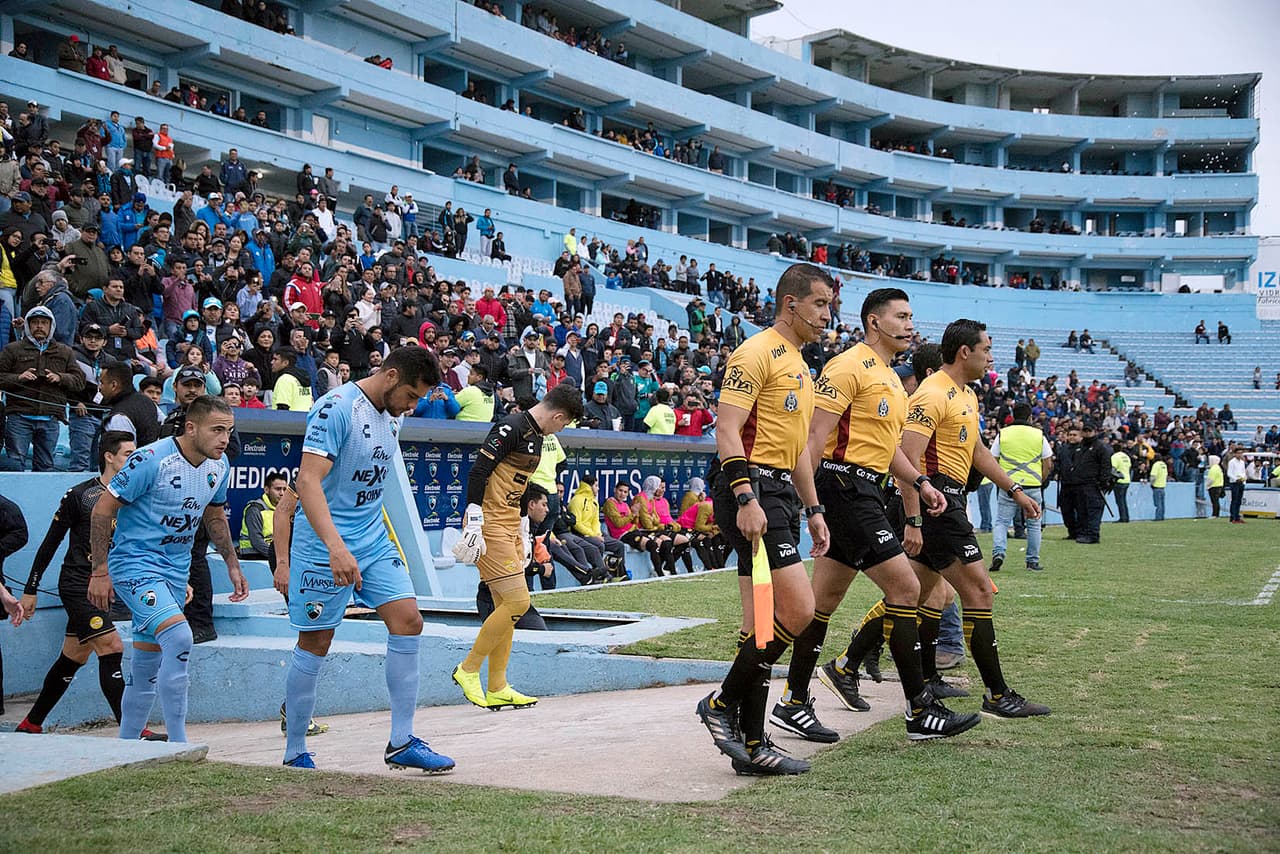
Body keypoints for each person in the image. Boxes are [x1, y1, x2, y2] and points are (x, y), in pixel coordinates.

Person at [775, 288, 974, 744]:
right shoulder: (848, 366)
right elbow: (814, 439)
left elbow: (888, 451)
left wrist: (920, 482)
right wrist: (810, 504)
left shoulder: (892, 379)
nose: (910, 325)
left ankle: (793, 700)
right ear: (874, 322)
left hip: (865, 486)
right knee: (906, 587)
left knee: (822, 602)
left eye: (911, 316)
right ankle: (919, 709)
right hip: (843, 487)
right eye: (901, 316)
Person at [281, 346, 454, 772]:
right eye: (411, 396)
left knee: (409, 620)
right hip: (324, 545)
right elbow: (307, 482)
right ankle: (295, 751)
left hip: (373, 539)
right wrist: (335, 547)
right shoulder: (336, 409)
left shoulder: (393, 414)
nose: (411, 407)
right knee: (316, 642)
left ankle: (401, 741)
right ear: (391, 376)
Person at [694, 263, 834, 777]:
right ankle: (720, 704)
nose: (827, 315)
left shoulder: (801, 364)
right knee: (799, 611)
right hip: (750, 488)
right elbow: (727, 430)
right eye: (820, 304)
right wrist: (745, 496)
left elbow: (797, 451)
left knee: (759, 624)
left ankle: (753, 745)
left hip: (779, 492)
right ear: (790, 304)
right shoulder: (755, 352)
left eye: (830, 305)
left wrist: (813, 509)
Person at [899, 319, 1049, 719]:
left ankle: (846, 665)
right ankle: (997, 694)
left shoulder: (965, 394)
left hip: (948, 500)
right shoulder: (931, 394)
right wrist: (913, 518)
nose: (991, 358)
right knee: (979, 591)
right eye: (986, 350)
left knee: (916, 594)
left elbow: (979, 452)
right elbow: (907, 459)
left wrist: (1014, 490)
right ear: (965, 352)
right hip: (937, 503)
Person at [87, 397, 249, 743]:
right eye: (217, 430)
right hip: (134, 564)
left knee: (146, 665)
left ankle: (127, 745)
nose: (225, 439)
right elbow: (102, 509)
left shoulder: (219, 466)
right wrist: (100, 571)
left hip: (176, 571)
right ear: (191, 428)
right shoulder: (151, 460)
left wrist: (233, 564)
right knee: (179, 637)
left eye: (229, 431)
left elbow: (215, 516)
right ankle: (178, 743)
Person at [14, 433, 164, 738]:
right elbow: (49, 543)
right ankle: (133, 730)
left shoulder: (134, 496)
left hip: (107, 588)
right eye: (128, 454)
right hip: (77, 585)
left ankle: (31, 723)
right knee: (111, 646)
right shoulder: (81, 495)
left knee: (73, 656)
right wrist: (31, 589)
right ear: (109, 457)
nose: (134, 460)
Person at [450, 382, 584, 710]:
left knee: (505, 608)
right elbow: (479, 471)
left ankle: (497, 686)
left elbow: (521, 484)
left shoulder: (536, 436)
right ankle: (468, 669)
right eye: (565, 424)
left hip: (511, 524)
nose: (561, 430)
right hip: (490, 524)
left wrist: (524, 525)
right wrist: (474, 515)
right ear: (558, 416)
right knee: (518, 602)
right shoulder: (510, 426)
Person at [0, 306, 85, 471]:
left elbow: (79, 381)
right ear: (28, 325)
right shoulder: (12, 349)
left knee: (45, 467)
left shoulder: (65, 351)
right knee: (15, 465)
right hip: (19, 417)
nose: (39, 326)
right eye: (35, 322)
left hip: (50, 418)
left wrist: (60, 377)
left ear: (51, 326)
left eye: (44, 323)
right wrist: (18, 378)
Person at [989, 403, 1053, 571]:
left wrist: (1001, 480)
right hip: (1033, 484)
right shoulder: (1039, 435)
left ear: (1013, 416)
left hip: (1009, 485)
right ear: (1030, 417)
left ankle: (999, 552)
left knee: (1002, 521)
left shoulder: (1003, 434)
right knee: (1034, 523)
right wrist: (1040, 479)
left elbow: (993, 459)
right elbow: (1048, 463)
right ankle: (1032, 561)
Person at [239, 472, 288, 559]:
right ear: (266, 490)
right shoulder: (255, 509)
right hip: (253, 555)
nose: (282, 493)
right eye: (278, 489)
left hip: (272, 555)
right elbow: (256, 542)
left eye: (284, 489)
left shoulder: (285, 510)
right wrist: (279, 557)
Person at [1226, 447, 1248, 524]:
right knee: (1234, 500)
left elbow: (1243, 471)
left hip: (1241, 482)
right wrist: (1236, 479)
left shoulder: (1242, 462)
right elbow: (1229, 473)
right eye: (1238, 453)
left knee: (1239, 501)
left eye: (1241, 453)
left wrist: (1244, 478)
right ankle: (1232, 518)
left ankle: (1237, 517)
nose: (1239, 455)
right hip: (1234, 483)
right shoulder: (1232, 462)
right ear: (1235, 454)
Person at [1111, 444, 1132, 524]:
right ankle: (1126, 517)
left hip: (1119, 480)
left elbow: (1113, 469)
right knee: (1123, 500)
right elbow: (1129, 468)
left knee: (1119, 501)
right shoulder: (1126, 456)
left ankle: (1123, 518)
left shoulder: (1114, 457)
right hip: (1127, 480)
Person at [1149, 454, 1169, 521]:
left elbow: (1153, 476)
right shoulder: (1164, 465)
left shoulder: (1156, 465)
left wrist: (1151, 484)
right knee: (1162, 503)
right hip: (1163, 486)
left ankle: (1158, 517)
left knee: (1157, 504)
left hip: (1157, 486)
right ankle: (1162, 516)